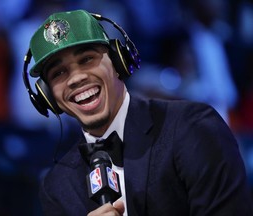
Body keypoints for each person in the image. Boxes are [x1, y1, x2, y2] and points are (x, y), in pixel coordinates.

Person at [23, 9, 253, 215]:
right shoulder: (57, 187)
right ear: (48, 97)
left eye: (87, 59)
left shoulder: (192, 128)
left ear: (119, 61)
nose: (76, 78)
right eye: (59, 73)